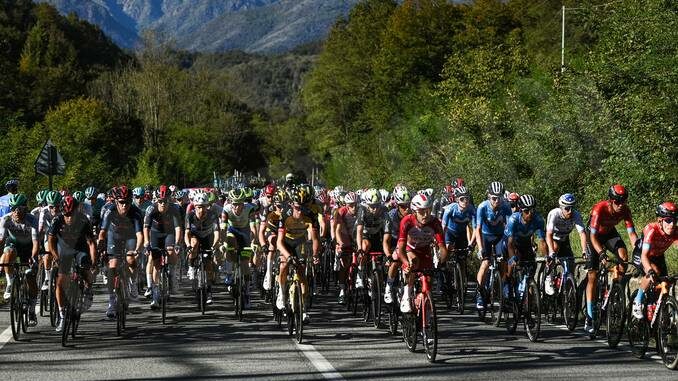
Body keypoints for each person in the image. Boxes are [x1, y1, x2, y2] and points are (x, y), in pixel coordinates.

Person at [584, 184, 637, 334]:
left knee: (623, 256)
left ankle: (615, 290)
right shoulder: (599, 208)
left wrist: (638, 250)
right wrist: (601, 253)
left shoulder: (625, 210)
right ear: (610, 200)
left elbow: (632, 234)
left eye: (624, 201)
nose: (621, 205)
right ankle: (589, 314)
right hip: (593, 236)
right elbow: (593, 237)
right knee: (592, 275)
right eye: (617, 202)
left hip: (609, 233)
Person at [48, 196, 96, 331]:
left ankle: (87, 288)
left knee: (86, 266)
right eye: (66, 215)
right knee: (60, 282)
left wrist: (94, 262)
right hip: (64, 250)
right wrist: (56, 257)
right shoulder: (56, 220)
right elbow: (51, 241)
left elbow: (92, 243)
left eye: (72, 214)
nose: (69, 218)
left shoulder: (83, 219)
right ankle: (62, 315)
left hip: (80, 249)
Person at [98, 185, 144, 318]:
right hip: (114, 237)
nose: (124, 206)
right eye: (121, 203)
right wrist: (100, 243)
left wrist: (137, 250)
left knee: (131, 259)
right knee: (112, 267)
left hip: (130, 236)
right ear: (116, 202)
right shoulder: (109, 210)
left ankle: (133, 283)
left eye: (127, 203)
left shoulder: (135, 212)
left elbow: (140, 235)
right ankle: (112, 301)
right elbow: (102, 232)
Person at [398, 193, 447, 313]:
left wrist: (440, 262)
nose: (425, 215)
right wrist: (405, 263)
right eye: (421, 211)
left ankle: (425, 305)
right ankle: (407, 293)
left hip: (425, 250)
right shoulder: (407, 221)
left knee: (428, 279)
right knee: (413, 262)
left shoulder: (435, 222)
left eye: (428, 210)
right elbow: (401, 248)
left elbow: (442, 247)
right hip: (410, 250)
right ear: (414, 211)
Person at [276, 190, 319, 322]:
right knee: (284, 265)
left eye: (304, 208)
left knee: (301, 273)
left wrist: (315, 254)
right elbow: (279, 242)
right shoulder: (285, 216)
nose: (300, 212)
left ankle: (303, 307)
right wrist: (288, 256)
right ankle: (282, 293)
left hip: (300, 242)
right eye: (297, 208)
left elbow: (315, 239)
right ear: (292, 206)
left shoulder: (311, 216)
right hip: (286, 243)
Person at [631, 202, 678, 319]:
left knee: (665, 282)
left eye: (675, 220)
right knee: (654, 271)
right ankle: (637, 302)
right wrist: (650, 270)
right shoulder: (651, 229)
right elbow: (644, 256)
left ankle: (655, 313)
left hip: (658, 256)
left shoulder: (676, 231)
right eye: (668, 220)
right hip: (641, 254)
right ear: (660, 220)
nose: (672, 224)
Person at [0, 193, 39, 326]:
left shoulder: (32, 220)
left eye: (20, 209)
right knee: (8, 252)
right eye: (13, 209)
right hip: (14, 244)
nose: (16, 212)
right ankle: (10, 284)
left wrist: (33, 258)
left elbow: (35, 243)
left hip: (29, 247)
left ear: (25, 209)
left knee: (30, 277)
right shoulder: (5, 219)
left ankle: (32, 310)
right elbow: (1, 241)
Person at [499, 194, 546, 298]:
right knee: (511, 266)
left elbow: (542, 241)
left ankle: (526, 294)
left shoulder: (538, 219)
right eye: (526, 211)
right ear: (521, 211)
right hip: (509, 243)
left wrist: (546, 257)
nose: (530, 214)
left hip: (524, 242)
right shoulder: (513, 219)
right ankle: (506, 284)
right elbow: (510, 244)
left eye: (532, 211)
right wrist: (512, 259)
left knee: (531, 265)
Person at [474, 181, 512, 311]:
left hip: (499, 236)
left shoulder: (506, 207)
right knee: (485, 263)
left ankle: (505, 293)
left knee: (503, 263)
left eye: (499, 198)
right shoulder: (482, 207)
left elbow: (510, 228)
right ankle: (479, 293)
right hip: (485, 236)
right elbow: (477, 229)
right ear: (488, 197)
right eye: (494, 198)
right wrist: (480, 249)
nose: (497, 201)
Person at [143, 185, 182, 309]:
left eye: (165, 201)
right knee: (156, 264)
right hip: (155, 234)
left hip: (168, 233)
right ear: (156, 200)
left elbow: (178, 228)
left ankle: (173, 274)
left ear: (169, 200)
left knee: (171, 251)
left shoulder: (174, 209)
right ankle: (155, 294)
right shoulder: (151, 209)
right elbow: (146, 227)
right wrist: (146, 243)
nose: (163, 204)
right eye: (160, 201)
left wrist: (177, 243)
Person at [544, 194, 587, 295]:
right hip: (553, 238)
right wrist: (551, 251)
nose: (570, 211)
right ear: (561, 208)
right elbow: (548, 234)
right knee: (554, 251)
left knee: (570, 262)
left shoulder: (576, 215)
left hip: (564, 238)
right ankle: (548, 277)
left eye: (572, 208)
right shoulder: (554, 214)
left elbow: (582, 233)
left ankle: (568, 286)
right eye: (567, 208)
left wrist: (584, 250)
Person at [185, 191, 220, 305]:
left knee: (209, 265)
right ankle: (191, 267)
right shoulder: (190, 215)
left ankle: (209, 291)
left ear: (207, 206)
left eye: (204, 207)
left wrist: (214, 246)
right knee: (194, 244)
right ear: (195, 206)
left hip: (207, 237)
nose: (201, 210)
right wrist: (188, 246)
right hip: (195, 236)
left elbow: (217, 233)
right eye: (199, 207)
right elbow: (187, 234)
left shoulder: (212, 215)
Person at [383, 185, 411, 304]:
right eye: (403, 207)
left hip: (408, 243)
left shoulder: (412, 215)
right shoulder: (390, 215)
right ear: (398, 206)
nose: (407, 209)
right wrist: (389, 255)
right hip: (394, 242)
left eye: (408, 205)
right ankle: (388, 287)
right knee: (394, 262)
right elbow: (386, 240)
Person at [334, 191, 358, 304]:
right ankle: (342, 289)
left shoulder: (361, 211)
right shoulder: (342, 211)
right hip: (345, 237)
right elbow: (337, 230)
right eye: (351, 205)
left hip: (357, 237)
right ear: (346, 205)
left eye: (355, 204)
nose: (354, 207)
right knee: (344, 265)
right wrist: (339, 243)